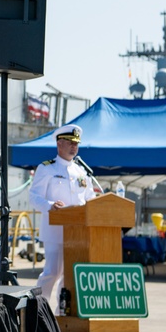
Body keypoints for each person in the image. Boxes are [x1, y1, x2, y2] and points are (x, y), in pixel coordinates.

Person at [28, 124, 100, 311]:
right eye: (70, 142)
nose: (74, 147)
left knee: (70, 275)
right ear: (59, 144)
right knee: (52, 272)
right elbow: (34, 197)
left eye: (76, 143)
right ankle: (39, 311)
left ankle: (63, 312)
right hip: (55, 230)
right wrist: (50, 206)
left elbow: (90, 199)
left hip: (78, 233)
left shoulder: (82, 172)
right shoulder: (46, 169)